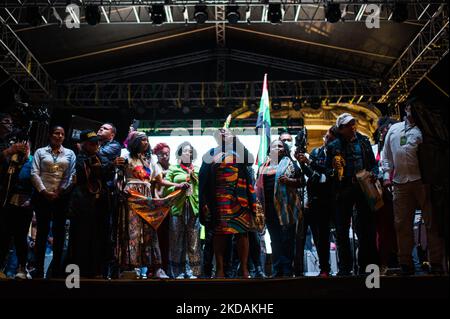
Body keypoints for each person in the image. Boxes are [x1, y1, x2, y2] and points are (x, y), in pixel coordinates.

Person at [382, 101, 445, 275]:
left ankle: (436, 262)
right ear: (406, 110)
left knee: (431, 223)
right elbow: (386, 155)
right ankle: (405, 262)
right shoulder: (394, 130)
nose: (412, 111)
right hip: (400, 182)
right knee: (402, 224)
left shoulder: (426, 129)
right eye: (410, 108)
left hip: (423, 182)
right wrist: (387, 176)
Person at [116, 131, 187, 279]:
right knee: (132, 232)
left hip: (147, 198)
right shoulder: (126, 157)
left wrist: (177, 185)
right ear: (135, 142)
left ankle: (156, 268)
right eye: (142, 140)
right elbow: (118, 178)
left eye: (147, 140)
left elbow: (159, 181)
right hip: (132, 197)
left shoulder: (151, 160)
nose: (145, 142)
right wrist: (122, 191)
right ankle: (131, 267)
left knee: (150, 234)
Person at [199, 128, 257, 278]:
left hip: (239, 197)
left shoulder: (238, 151)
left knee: (242, 232)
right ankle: (219, 269)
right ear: (216, 137)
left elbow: (250, 160)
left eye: (228, 133)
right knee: (220, 232)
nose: (224, 134)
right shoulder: (211, 153)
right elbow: (203, 179)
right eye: (222, 133)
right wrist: (204, 202)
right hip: (219, 197)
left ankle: (244, 269)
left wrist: (235, 141)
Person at [326, 113, 379, 275]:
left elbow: (373, 164)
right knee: (342, 230)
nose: (353, 127)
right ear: (341, 129)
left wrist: (373, 173)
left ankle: (367, 266)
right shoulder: (333, 146)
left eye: (353, 123)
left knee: (366, 228)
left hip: (364, 188)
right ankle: (345, 268)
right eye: (349, 124)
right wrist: (335, 173)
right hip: (344, 189)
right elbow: (328, 170)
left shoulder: (363, 141)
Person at [31, 126, 76, 278]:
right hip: (42, 196)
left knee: (59, 233)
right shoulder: (40, 152)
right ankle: (38, 268)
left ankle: (56, 269)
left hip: (61, 197)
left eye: (62, 134)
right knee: (42, 232)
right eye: (57, 133)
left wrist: (60, 191)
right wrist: (44, 191)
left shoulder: (69, 153)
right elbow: (34, 172)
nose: (60, 136)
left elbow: (71, 175)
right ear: (50, 135)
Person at [68, 130, 111, 278]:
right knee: (80, 238)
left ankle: (95, 271)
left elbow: (105, 175)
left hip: (98, 205)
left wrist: (109, 166)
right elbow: (83, 174)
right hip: (82, 203)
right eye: (92, 143)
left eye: (97, 143)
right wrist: (106, 166)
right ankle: (76, 275)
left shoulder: (99, 157)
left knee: (96, 238)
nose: (96, 145)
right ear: (84, 144)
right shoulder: (79, 158)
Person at [296, 126, 337, 277]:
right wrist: (302, 163)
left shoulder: (336, 154)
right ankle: (323, 268)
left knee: (329, 236)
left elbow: (326, 176)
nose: (327, 140)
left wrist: (309, 162)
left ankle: (333, 268)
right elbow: (313, 176)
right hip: (315, 201)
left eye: (331, 139)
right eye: (326, 137)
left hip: (330, 200)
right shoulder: (316, 152)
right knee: (319, 236)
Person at [165, 142, 201, 279]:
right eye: (185, 151)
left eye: (191, 151)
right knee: (176, 241)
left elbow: (200, 189)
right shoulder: (173, 169)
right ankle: (176, 272)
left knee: (194, 241)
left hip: (193, 208)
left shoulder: (197, 169)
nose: (188, 153)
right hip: (177, 208)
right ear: (180, 153)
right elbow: (165, 189)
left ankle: (193, 271)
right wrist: (178, 186)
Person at [0, 139, 33, 280]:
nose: (22, 149)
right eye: (20, 147)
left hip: (25, 205)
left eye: (25, 147)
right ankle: (1, 267)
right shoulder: (11, 161)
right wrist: (10, 152)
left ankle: (22, 267)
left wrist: (31, 200)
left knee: (21, 238)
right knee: (4, 237)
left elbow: (37, 182)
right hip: (8, 204)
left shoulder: (32, 162)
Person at [97, 123, 122, 278]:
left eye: (105, 128)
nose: (101, 129)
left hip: (108, 193)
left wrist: (90, 150)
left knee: (108, 232)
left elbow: (96, 155)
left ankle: (108, 270)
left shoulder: (114, 145)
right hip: (94, 191)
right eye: (100, 127)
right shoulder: (99, 146)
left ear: (112, 135)